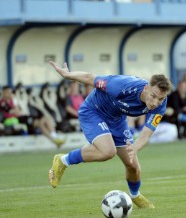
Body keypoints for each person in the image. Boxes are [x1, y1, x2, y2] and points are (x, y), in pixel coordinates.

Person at [48, 61, 172, 208]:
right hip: (93, 111)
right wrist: (68, 75)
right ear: (146, 88)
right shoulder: (121, 85)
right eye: (153, 96)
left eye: (161, 99)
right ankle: (63, 160)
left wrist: (134, 148)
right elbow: (90, 78)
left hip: (117, 120)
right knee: (108, 151)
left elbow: (146, 134)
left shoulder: (160, 105)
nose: (155, 102)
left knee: (133, 165)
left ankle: (135, 195)